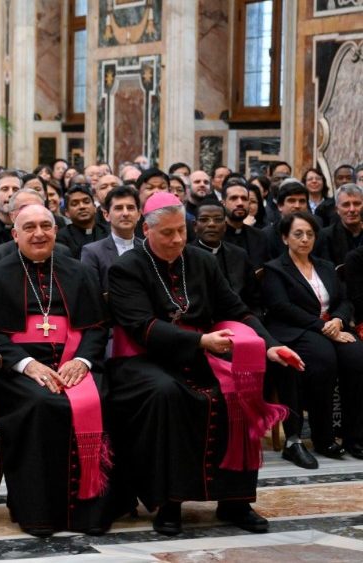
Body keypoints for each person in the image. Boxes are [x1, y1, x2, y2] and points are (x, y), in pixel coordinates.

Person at [106, 192, 298, 536]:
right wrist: (200, 342)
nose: (178, 239)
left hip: (202, 352)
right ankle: (169, 503)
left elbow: (236, 309)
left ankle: (236, 500)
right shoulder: (126, 268)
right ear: (146, 230)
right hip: (143, 359)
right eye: (167, 233)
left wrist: (271, 347)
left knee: (239, 388)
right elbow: (142, 326)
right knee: (169, 395)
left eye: (181, 230)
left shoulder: (202, 261)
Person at [0, 203, 112, 536]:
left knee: (102, 399)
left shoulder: (79, 272)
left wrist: (84, 361)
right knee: (43, 404)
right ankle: (40, 513)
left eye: (46, 226)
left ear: (55, 231)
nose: (39, 233)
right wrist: (27, 364)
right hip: (16, 371)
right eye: (29, 227)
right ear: (14, 234)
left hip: (74, 364)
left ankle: (90, 512)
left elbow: (97, 328)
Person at [262, 211, 363, 466]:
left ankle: (354, 437)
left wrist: (338, 320)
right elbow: (282, 307)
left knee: (357, 357)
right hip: (295, 329)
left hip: (331, 327)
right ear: (285, 238)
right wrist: (324, 327)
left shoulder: (326, 266)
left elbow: (344, 300)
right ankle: (323, 437)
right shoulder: (276, 269)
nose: (305, 239)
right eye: (298, 234)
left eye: (310, 234)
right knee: (323, 358)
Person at [191, 203, 260, 312]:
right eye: (204, 220)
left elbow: (253, 297)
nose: (211, 224)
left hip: (239, 316)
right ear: (195, 226)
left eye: (218, 220)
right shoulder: (185, 256)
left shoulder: (240, 255)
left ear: (225, 226)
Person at [81, 185, 141, 291]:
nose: (125, 213)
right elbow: (91, 294)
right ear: (106, 215)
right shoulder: (92, 252)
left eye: (130, 208)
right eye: (118, 208)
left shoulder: (148, 247)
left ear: (139, 214)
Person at [222, 180, 269, 269]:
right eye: (234, 198)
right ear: (223, 203)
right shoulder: (215, 237)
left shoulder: (260, 236)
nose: (240, 203)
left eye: (244, 199)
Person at [57, 185, 108, 259]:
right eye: (75, 204)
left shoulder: (108, 232)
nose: (82, 206)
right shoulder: (61, 238)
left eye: (86, 202)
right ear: (67, 213)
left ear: (95, 208)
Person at [317, 183, 363, 266]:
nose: (352, 209)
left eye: (357, 204)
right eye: (346, 205)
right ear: (337, 209)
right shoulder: (325, 237)